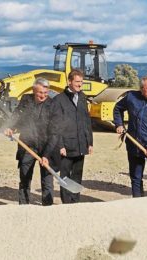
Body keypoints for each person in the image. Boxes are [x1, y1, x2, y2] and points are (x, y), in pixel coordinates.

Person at [113, 75, 147, 197]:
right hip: (134, 145)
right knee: (136, 177)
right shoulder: (131, 98)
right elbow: (117, 108)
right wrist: (119, 124)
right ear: (141, 88)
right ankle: (137, 201)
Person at [4, 77, 54, 206]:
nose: (43, 96)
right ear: (33, 91)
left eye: (45, 93)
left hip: (46, 146)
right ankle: (24, 206)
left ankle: (47, 206)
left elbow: (55, 130)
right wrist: (11, 127)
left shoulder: (52, 104)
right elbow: (17, 115)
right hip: (27, 144)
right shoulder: (26, 100)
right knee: (25, 177)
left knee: (47, 179)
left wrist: (47, 155)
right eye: (40, 93)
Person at [49, 69, 93, 203]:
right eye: (77, 82)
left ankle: (75, 201)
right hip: (66, 147)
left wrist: (89, 142)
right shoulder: (58, 100)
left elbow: (86, 121)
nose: (80, 85)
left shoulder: (83, 97)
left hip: (81, 145)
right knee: (65, 177)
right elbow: (55, 126)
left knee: (78, 175)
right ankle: (67, 203)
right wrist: (60, 145)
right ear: (69, 81)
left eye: (81, 82)